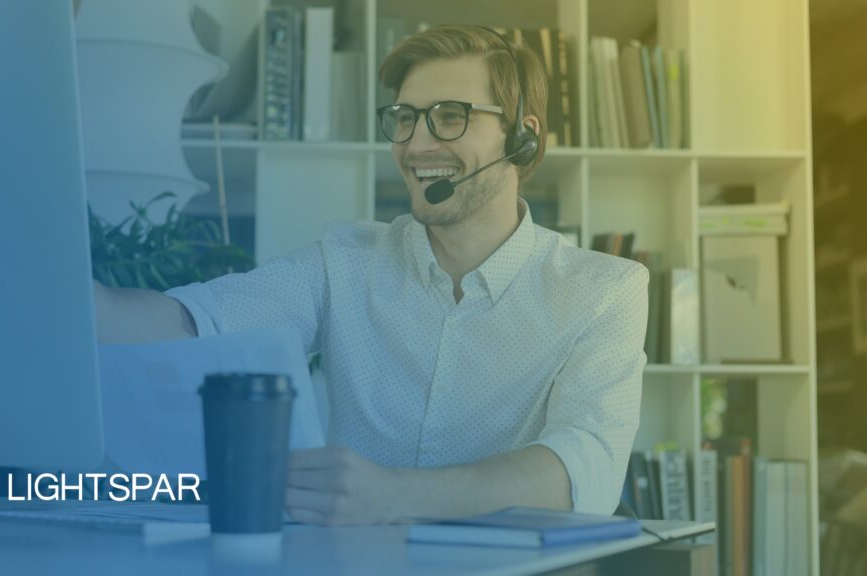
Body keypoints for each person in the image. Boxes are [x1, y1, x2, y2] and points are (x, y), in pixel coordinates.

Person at [93, 25, 648, 525]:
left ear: (522, 135)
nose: (416, 144)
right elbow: (197, 323)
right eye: (405, 118)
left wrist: (398, 495)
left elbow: (586, 464)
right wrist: (71, 301)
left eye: (450, 116)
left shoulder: (604, 291)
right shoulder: (345, 261)